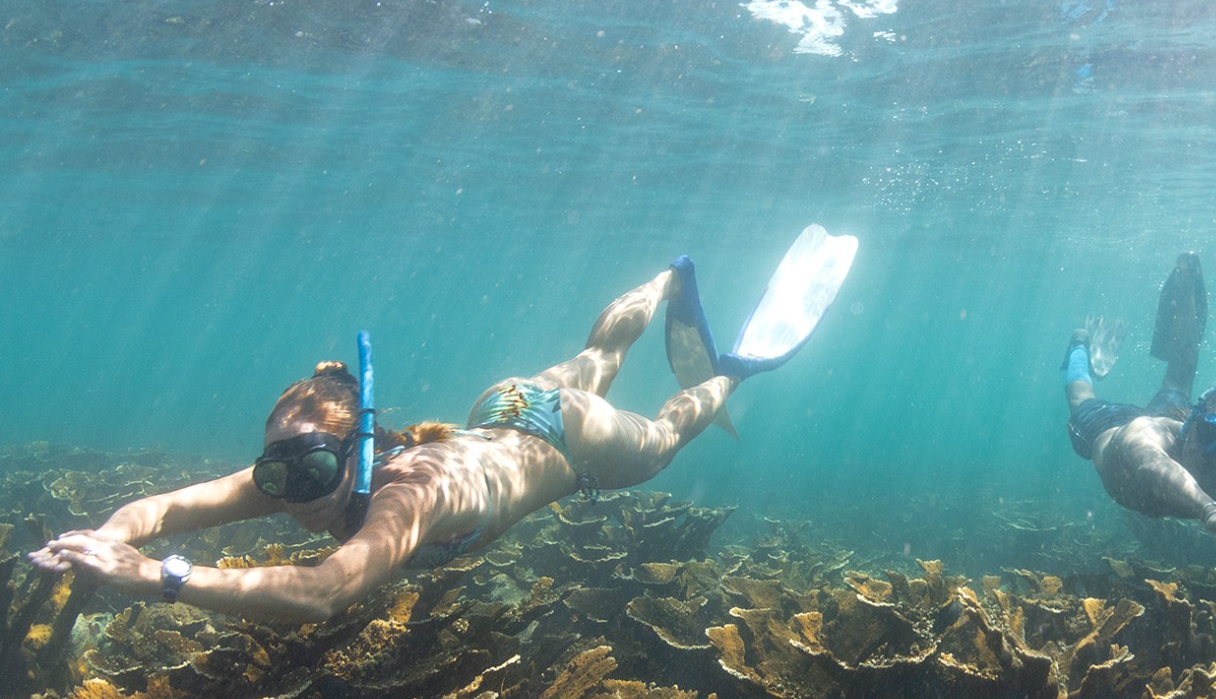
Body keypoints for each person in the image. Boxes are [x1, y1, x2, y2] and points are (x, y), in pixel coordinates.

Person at [30, 226, 858, 622]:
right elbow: (164, 507)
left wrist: (157, 576)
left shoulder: (404, 499)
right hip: (504, 408)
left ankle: (735, 370)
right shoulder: (299, 474)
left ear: (354, 456)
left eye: (311, 474)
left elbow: (325, 590)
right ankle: (668, 277)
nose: (294, 497)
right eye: (278, 475)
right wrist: (104, 539)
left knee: (666, 440)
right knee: (597, 353)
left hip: (565, 438)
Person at [1063, 252, 1216, 552]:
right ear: (1196, 417)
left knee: (1179, 376)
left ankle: (1185, 276)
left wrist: (1209, 507)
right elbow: (1152, 466)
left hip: (1172, 419)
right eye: (1209, 434)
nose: (1208, 454)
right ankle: (1079, 343)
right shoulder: (1143, 436)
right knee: (1080, 396)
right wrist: (1210, 510)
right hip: (1111, 430)